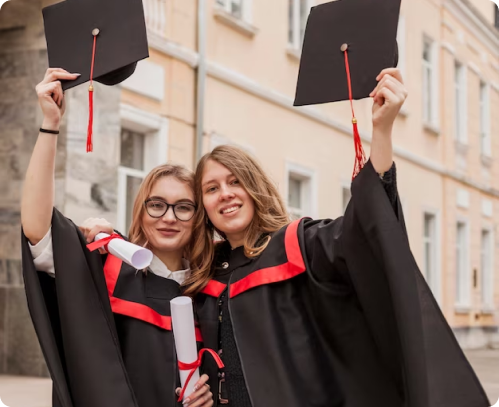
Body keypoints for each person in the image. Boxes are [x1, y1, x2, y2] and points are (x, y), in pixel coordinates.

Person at [183, 67, 490, 407]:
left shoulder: (299, 246)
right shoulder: (205, 274)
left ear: (255, 189)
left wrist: (381, 130)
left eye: (235, 181)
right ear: (204, 206)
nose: (225, 193)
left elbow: (365, 231)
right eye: (212, 188)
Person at [21, 69, 214, 407]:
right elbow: (38, 229)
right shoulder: (108, 267)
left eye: (184, 207)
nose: (169, 217)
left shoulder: (211, 291)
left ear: (198, 217)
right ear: (140, 210)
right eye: (157, 205)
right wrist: (50, 124)